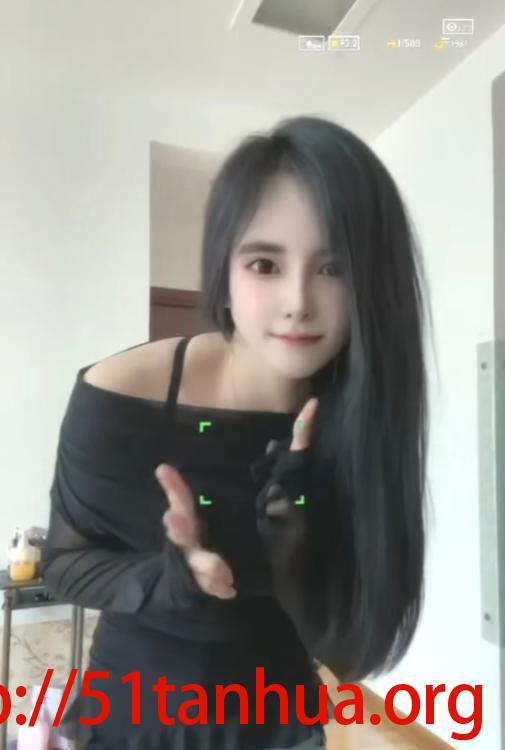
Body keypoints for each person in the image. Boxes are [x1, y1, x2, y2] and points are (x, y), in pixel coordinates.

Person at [41, 114, 432, 749]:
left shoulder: (366, 416)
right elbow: (63, 564)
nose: (298, 301)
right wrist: (170, 577)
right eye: (265, 264)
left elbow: (351, 651)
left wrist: (295, 556)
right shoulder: (120, 392)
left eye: (335, 268)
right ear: (225, 270)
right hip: (136, 716)